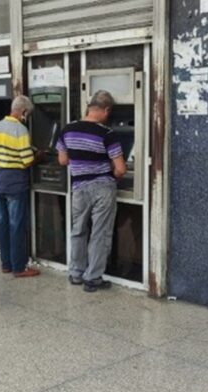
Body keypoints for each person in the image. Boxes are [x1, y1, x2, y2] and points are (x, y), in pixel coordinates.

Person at [56, 90, 127, 292]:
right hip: (102, 187)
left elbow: (63, 160)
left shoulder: (67, 129)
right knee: (100, 233)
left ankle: (76, 273)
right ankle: (93, 278)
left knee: (78, 230)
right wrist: (113, 173)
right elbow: (121, 169)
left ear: (89, 107)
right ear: (106, 110)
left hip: (79, 187)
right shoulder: (107, 133)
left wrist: (81, 161)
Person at [0, 95, 42, 278]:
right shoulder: (21, 130)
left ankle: (6, 264)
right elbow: (26, 161)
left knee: (2, 225)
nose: (28, 118)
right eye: (28, 114)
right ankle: (19, 267)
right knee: (16, 226)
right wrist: (38, 156)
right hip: (14, 184)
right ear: (24, 111)